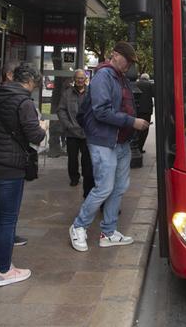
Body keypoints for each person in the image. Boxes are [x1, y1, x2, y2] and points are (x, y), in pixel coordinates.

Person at [69, 42, 150, 252]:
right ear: (115, 55)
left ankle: (109, 232)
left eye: (131, 62)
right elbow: (101, 111)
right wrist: (132, 122)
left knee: (119, 187)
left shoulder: (119, 77)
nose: (129, 65)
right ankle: (78, 226)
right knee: (104, 187)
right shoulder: (104, 76)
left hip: (118, 141)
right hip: (103, 140)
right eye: (127, 60)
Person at [0, 62, 46, 286]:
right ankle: (4, 270)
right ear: (29, 81)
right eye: (35, 84)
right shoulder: (24, 101)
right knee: (7, 219)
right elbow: (35, 136)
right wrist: (43, 127)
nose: (34, 88)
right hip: (10, 167)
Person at [0, 59, 30, 248]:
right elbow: (32, 132)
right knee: (6, 215)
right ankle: (3, 266)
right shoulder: (17, 99)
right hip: (9, 162)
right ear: (10, 76)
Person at [57, 69, 94, 196]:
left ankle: (86, 178)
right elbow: (61, 110)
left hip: (86, 133)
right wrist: (67, 124)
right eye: (77, 78)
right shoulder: (67, 94)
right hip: (71, 132)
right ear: (74, 79)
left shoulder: (91, 93)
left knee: (86, 159)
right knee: (72, 158)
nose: (79, 80)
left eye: (82, 78)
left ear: (85, 79)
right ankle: (74, 178)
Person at [134, 73, 154, 153]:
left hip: (137, 110)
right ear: (147, 78)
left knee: (137, 129)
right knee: (144, 130)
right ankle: (140, 147)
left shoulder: (136, 83)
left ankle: (136, 146)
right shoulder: (149, 84)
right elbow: (153, 94)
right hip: (146, 111)